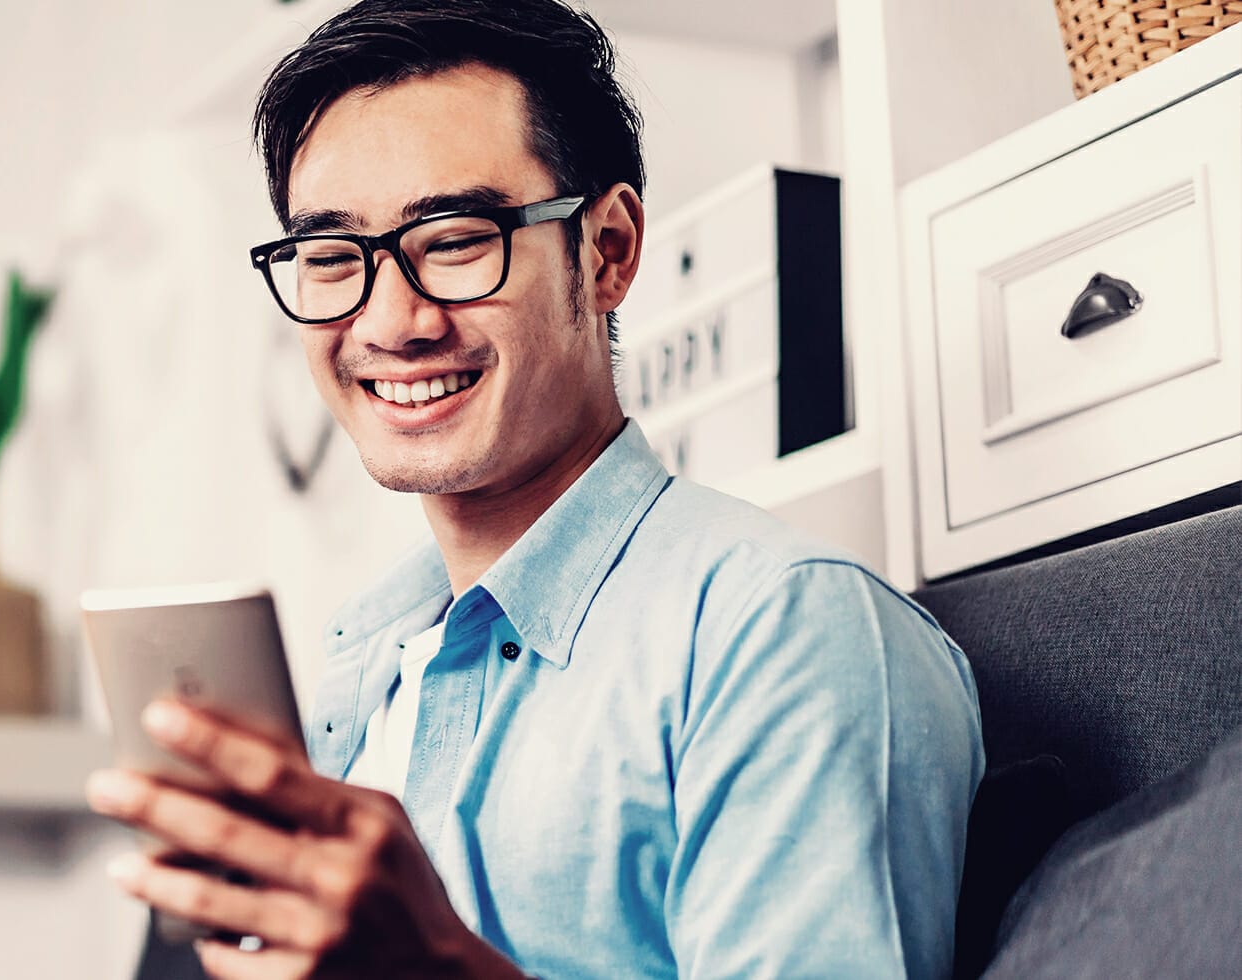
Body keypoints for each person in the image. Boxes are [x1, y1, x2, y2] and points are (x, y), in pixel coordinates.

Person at [87, 1, 985, 976]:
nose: (391, 321)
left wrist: (437, 965)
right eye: (333, 258)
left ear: (607, 251)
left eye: (457, 238)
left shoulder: (783, 630)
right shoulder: (368, 655)